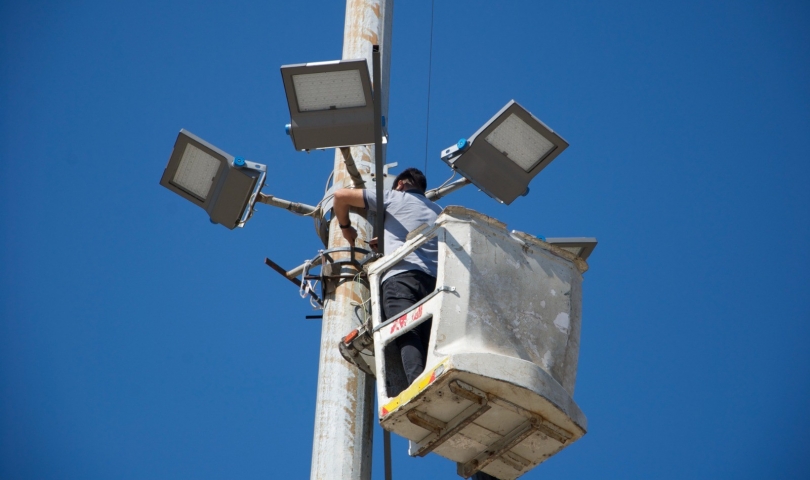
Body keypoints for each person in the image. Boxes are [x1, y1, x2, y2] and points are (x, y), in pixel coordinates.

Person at [333, 168, 442, 387]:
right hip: (433, 282)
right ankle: (435, 382)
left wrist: (346, 229)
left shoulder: (394, 196)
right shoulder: (438, 211)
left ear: (401, 183)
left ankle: (418, 385)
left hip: (401, 276)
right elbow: (414, 234)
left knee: (406, 331)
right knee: (430, 338)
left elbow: (340, 196)